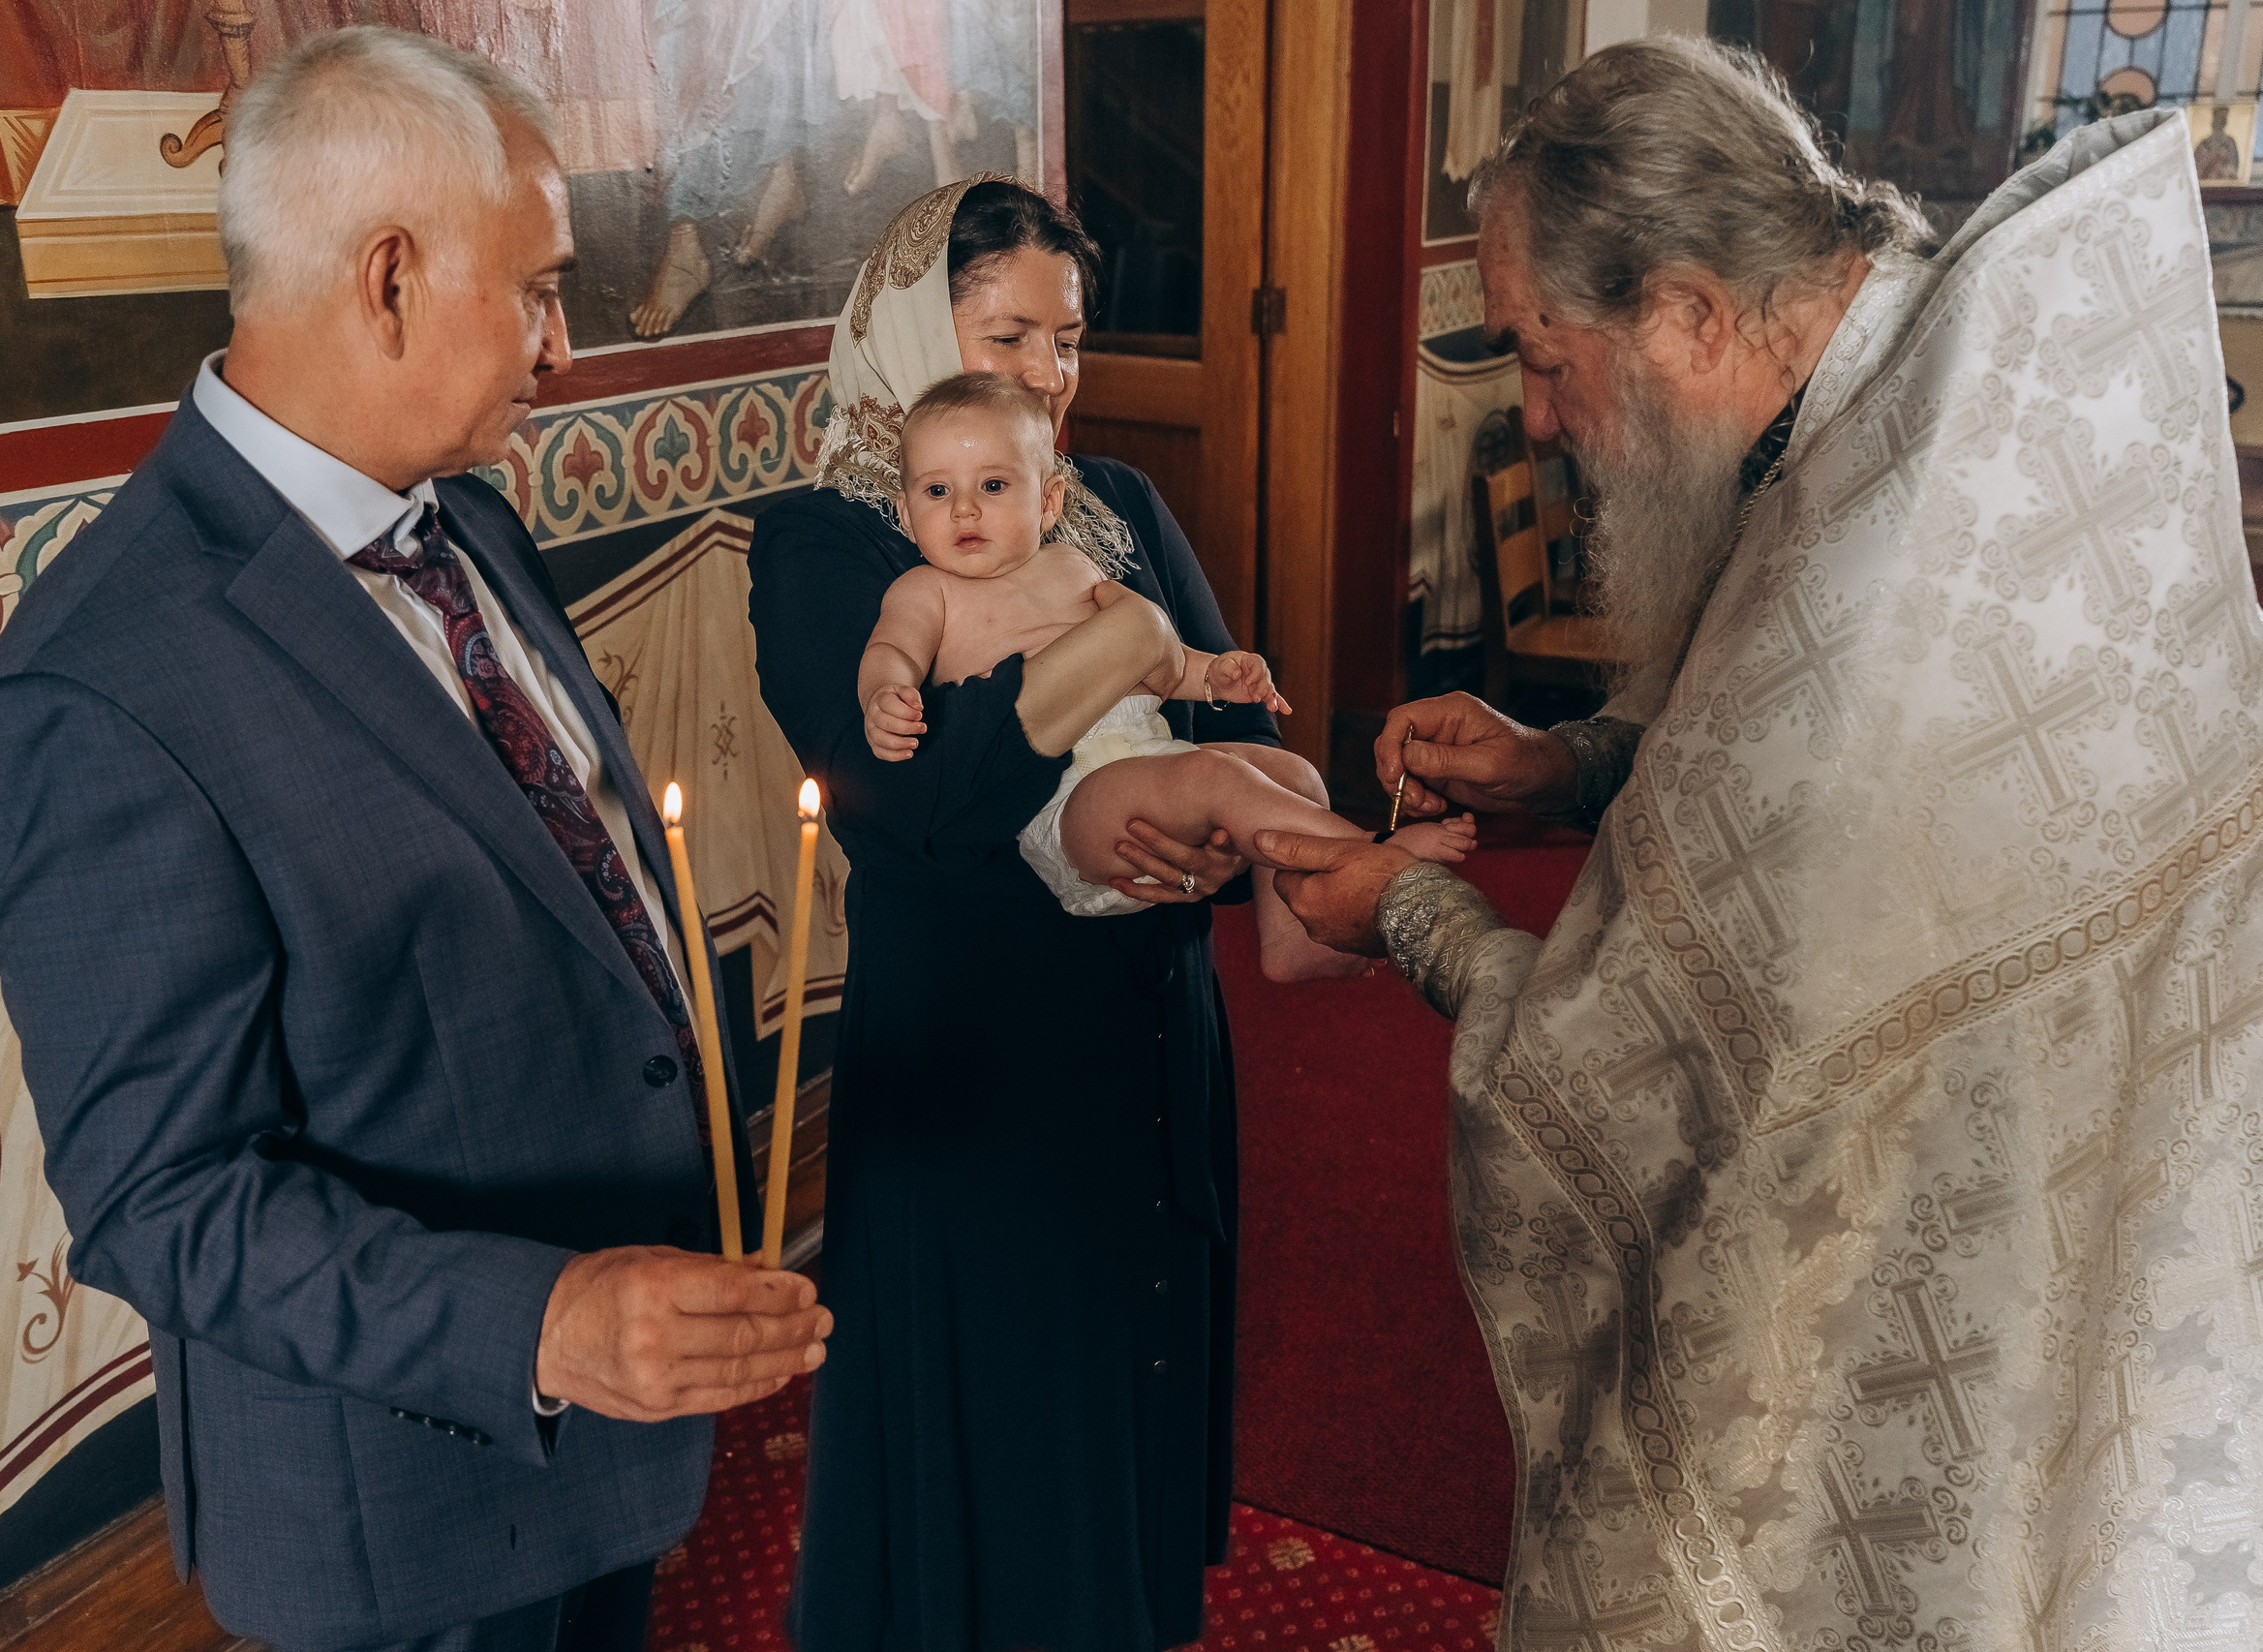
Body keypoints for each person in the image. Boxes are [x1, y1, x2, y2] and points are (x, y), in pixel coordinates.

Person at [1260, 40, 2263, 1648]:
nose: (1532, 416)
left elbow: (1620, 1084)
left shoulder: (1865, 583)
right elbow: (1767, 780)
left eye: (1539, 354)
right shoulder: (1911, 399)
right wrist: (1568, 766)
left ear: (1689, 315)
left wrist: (1414, 917)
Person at [0, 30, 829, 1652]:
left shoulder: (467, 522)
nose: (561, 347)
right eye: (540, 288)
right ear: (392, 282)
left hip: (604, 1450)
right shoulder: (95, 688)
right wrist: (545, 1324)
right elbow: (169, 1198)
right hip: (406, 1521)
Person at [748, 176, 1246, 1650]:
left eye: (1069, 339)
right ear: (914, 329)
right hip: (978, 1050)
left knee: (1133, 1383)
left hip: (1154, 1016)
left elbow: (1211, 701)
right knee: (1000, 1438)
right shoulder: (829, 546)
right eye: (1008, 332)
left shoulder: (1118, 506)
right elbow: (919, 806)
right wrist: (1124, 649)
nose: (1045, 373)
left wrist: (1218, 815)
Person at [862, 370, 1474, 978]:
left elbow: (1157, 664)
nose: (964, 508)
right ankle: (1375, 861)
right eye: (937, 492)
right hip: (1067, 800)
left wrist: (1213, 677)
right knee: (1212, 774)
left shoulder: (1072, 568)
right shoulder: (927, 592)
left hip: (1153, 757)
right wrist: (883, 697)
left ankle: (1291, 943)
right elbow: (892, 651)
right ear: (907, 515)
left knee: (1293, 773)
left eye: (993, 485)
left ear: (1048, 501)